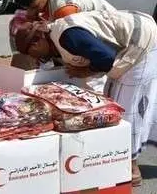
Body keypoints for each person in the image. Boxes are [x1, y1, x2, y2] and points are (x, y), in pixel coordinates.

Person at [14, 10, 157, 186]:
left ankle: (131, 166)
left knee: (127, 105)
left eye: (31, 52)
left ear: (37, 41)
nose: (33, 57)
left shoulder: (68, 36)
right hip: (133, 35)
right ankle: (117, 156)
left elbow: (106, 57)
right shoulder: (55, 39)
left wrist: (85, 71)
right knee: (113, 99)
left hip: (141, 39)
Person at [9, 0, 116, 50]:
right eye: (28, 8)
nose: (31, 12)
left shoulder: (64, 8)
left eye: (35, 7)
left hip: (107, 29)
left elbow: (70, 42)